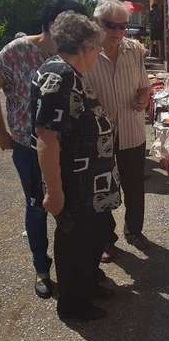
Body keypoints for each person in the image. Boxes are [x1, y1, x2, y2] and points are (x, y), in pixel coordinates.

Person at [31, 11, 121, 321]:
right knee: (74, 244)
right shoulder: (60, 76)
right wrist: (53, 191)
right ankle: (73, 305)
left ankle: (87, 285)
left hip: (90, 185)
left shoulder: (72, 74)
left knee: (92, 238)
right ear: (83, 46)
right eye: (96, 47)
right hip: (75, 185)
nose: (98, 53)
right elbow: (46, 137)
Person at [0, 0, 87, 299]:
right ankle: (42, 269)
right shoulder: (15, 52)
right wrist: (3, 134)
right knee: (37, 208)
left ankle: (80, 269)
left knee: (73, 206)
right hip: (28, 146)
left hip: (69, 148)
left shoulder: (75, 53)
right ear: (53, 26)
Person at [87, 0, 151, 262]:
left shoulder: (134, 50)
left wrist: (143, 98)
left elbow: (144, 85)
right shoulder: (86, 51)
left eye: (122, 26)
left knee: (134, 186)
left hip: (132, 131)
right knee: (102, 189)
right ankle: (106, 239)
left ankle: (134, 231)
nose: (117, 32)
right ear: (96, 23)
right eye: (110, 26)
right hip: (98, 136)